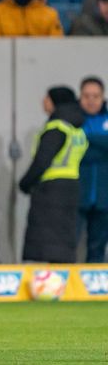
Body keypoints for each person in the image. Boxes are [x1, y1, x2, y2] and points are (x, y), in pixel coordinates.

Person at [19, 86, 88, 263]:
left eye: (47, 98)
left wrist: (25, 184)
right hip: (71, 190)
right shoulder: (76, 129)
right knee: (63, 243)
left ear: (56, 101)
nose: (43, 101)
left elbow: (42, 161)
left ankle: (48, 285)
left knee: (46, 245)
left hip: (50, 193)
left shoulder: (56, 128)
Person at [78, 76, 108, 263]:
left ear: (102, 97)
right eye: (86, 96)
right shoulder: (72, 120)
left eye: (95, 96)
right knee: (67, 247)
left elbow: (85, 148)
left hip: (104, 198)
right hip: (77, 195)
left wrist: (88, 140)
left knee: (97, 248)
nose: (91, 100)